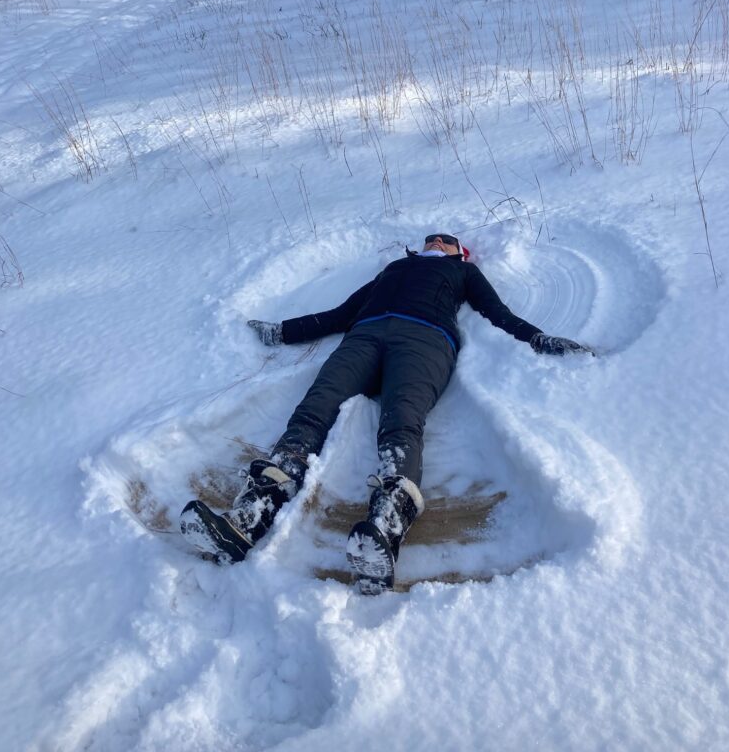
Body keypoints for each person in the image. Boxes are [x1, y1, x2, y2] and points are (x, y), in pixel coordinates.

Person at [180, 232, 592, 592]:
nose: (435, 240)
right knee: (313, 408)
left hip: (425, 339)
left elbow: (496, 312)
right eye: (431, 237)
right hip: (366, 335)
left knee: (402, 420)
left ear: (458, 252)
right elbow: (343, 314)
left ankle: (385, 527)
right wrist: (282, 331)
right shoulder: (394, 268)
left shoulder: (462, 273)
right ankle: (251, 514)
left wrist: (539, 338)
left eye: (445, 239)